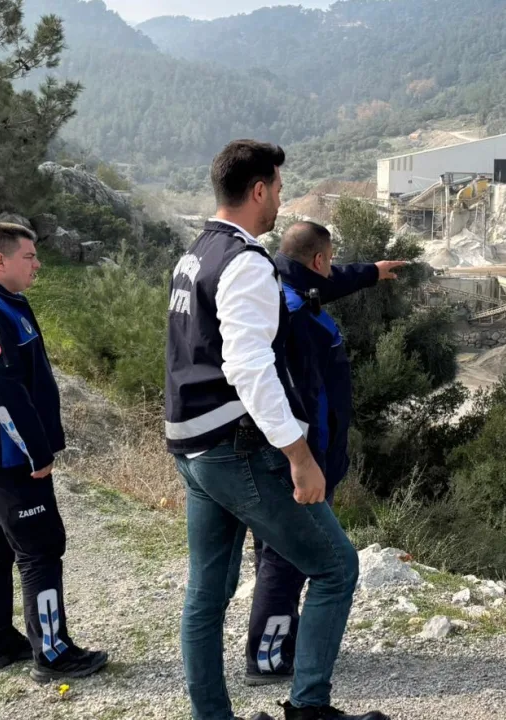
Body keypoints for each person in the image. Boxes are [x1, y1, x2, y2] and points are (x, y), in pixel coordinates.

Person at [165, 139, 388, 720]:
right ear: (259, 189)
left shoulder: (196, 254)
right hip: (235, 449)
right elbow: (249, 368)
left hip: (193, 446)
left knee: (207, 593)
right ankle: (310, 706)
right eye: (280, 190)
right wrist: (299, 456)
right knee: (336, 567)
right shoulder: (244, 261)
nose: (281, 201)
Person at [243, 221, 406, 687]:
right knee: (290, 555)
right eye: (330, 260)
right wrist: (311, 463)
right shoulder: (296, 316)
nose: (333, 268)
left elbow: (324, 284)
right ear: (317, 260)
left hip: (289, 455)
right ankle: (268, 658)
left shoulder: (281, 283)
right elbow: (304, 401)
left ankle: (281, 641)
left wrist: (370, 272)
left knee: (278, 551)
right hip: (304, 459)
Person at [0, 222, 109, 683]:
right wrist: (37, 453)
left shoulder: (1, 301)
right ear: (0, 260)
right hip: (7, 456)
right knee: (41, 547)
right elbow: (5, 395)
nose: (37, 264)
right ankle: (53, 654)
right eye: (29, 257)